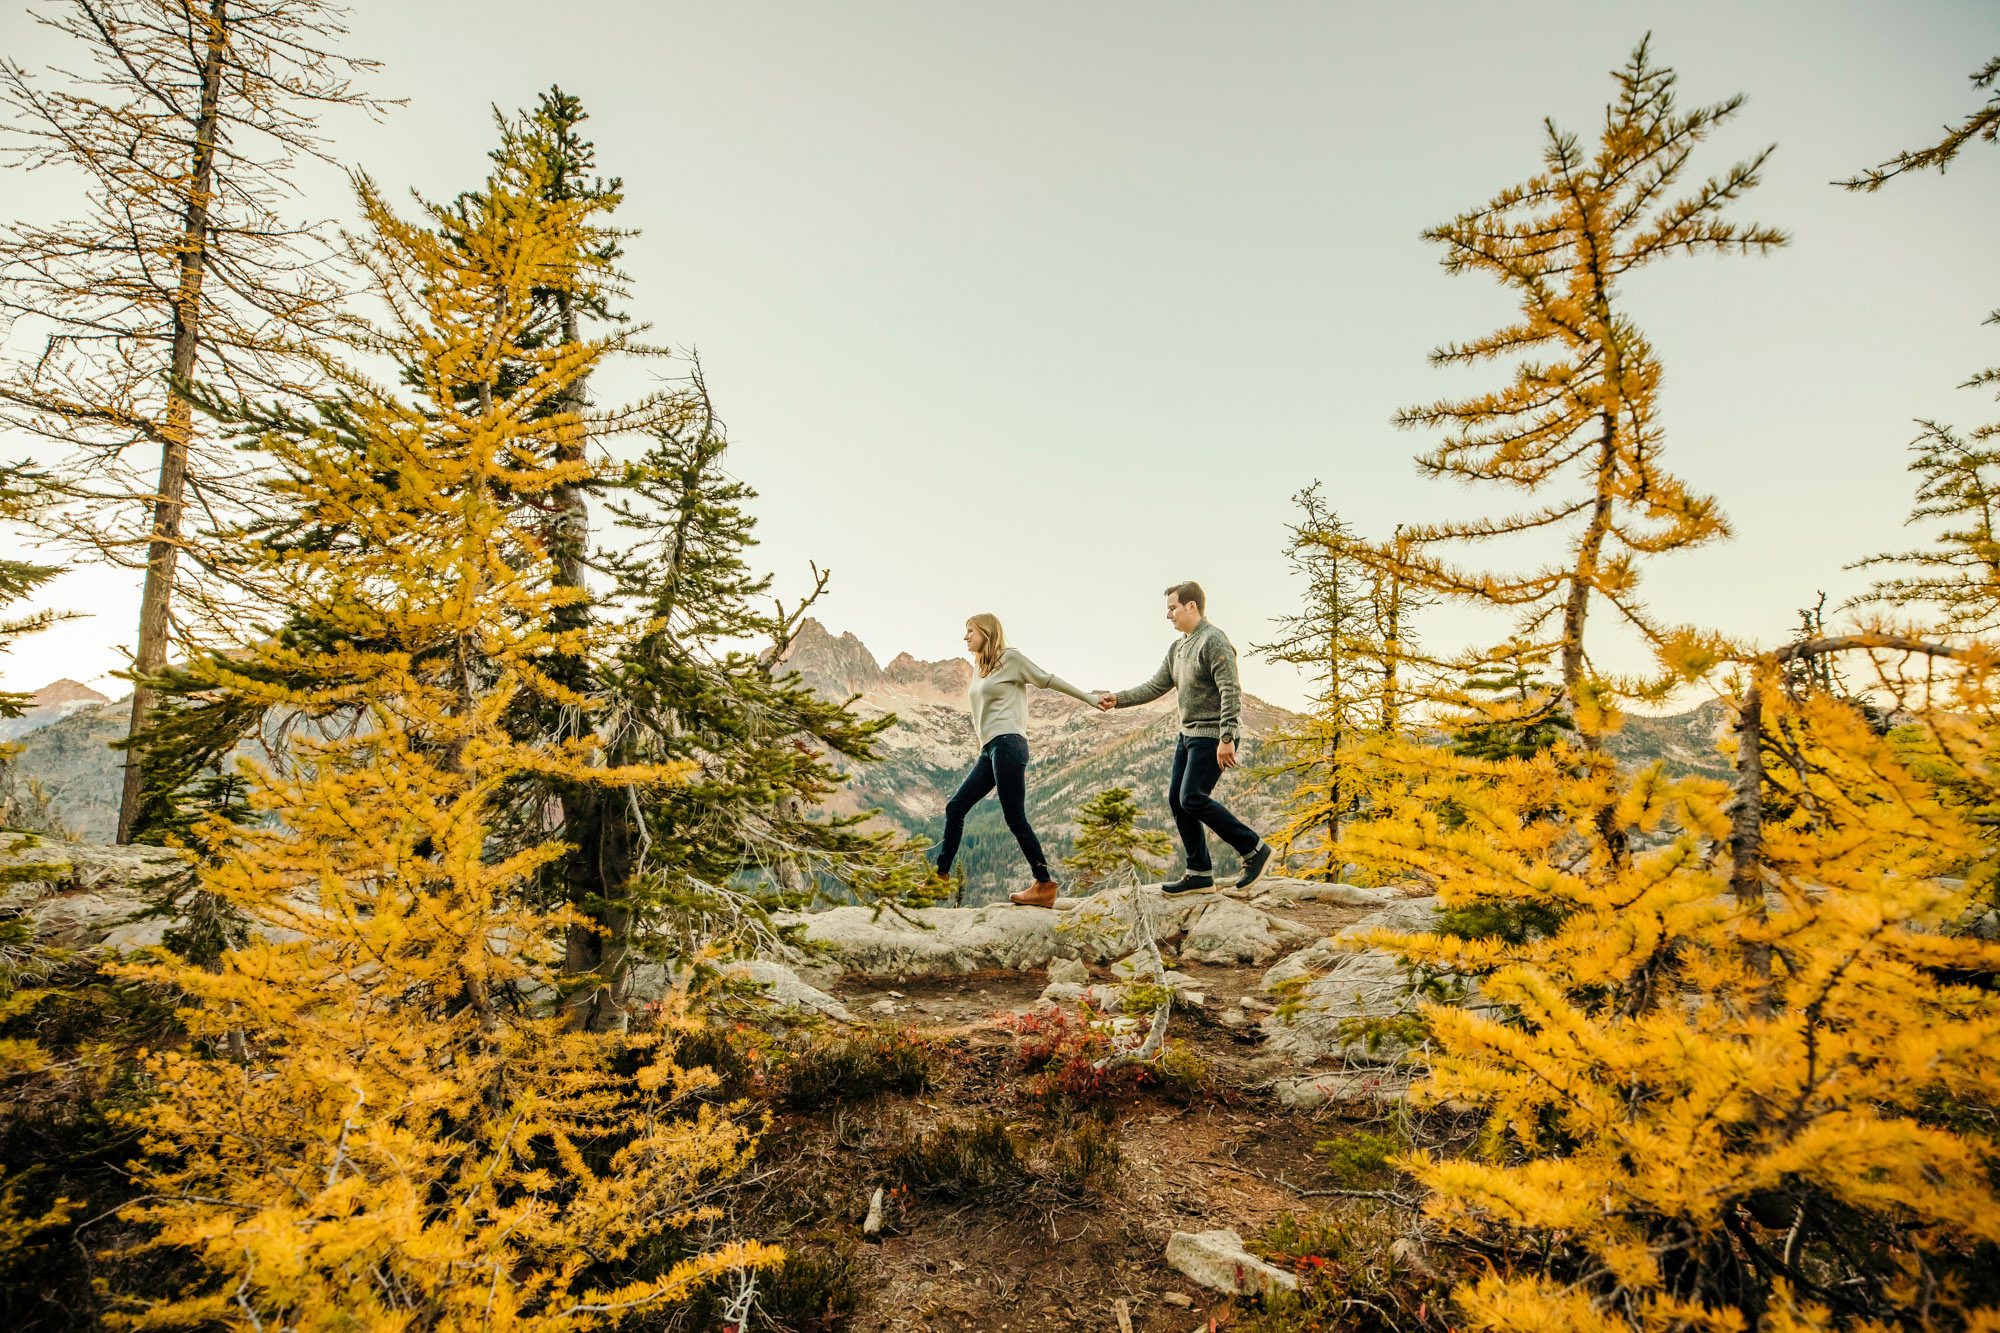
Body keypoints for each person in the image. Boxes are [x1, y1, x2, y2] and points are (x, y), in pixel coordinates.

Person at [1098, 581, 1273, 894]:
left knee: (1192, 797)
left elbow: (1231, 690)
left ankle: (1254, 849)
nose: (1169, 616)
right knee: (1177, 801)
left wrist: (1227, 736)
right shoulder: (1178, 648)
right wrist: (1119, 698)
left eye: (1172, 608)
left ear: (1192, 606)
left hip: (1212, 735)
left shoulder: (1213, 641)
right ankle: (1199, 873)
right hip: (1188, 734)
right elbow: (1155, 686)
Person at [934, 613, 1100, 908]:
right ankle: (940, 879)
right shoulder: (979, 667)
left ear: (986, 632)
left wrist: (1089, 698)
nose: (965, 637)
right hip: (990, 749)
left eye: (970, 630)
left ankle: (1045, 884)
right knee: (955, 807)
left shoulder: (1010, 658)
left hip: (1009, 743)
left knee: (1014, 817)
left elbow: (1047, 679)